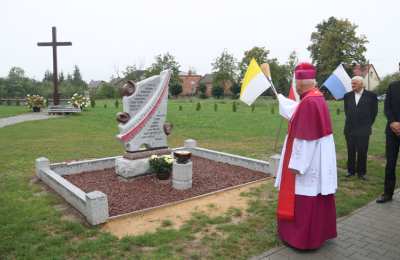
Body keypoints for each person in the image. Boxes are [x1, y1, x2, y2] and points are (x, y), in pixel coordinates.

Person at [275, 62, 337, 250]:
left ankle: (302, 238)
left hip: (310, 162)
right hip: (319, 156)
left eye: (296, 82)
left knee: (305, 195)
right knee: (318, 195)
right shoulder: (316, 97)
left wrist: (297, 164)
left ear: (301, 84)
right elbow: (296, 112)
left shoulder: (309, 102)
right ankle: (319, 234)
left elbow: (306, 139)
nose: (295, 85)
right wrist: (280, 99)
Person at [343, 76, 378, 180]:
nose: (352, 85)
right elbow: (346, 111)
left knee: (362, 151)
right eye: (352, 84)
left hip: (364, 129)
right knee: (351, 150)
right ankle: (351, 171)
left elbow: (374, 113)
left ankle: (361, 172)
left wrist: (366, 125)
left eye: (355, 84)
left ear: (362, 84)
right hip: (349, 129)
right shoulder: (347, 96)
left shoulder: (371, 96)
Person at [377, 63, 400, 203]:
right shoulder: (393, 86)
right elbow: (387, 107)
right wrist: (393, 122)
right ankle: (388, 193)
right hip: (392, 132)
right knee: (390, 164)